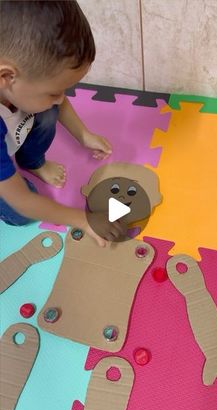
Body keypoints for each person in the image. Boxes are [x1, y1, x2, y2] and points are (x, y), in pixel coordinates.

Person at [0, 0, 124, 246]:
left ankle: (33, 162)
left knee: (47, 110)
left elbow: (56, 101)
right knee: (21, 213)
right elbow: (22, 200)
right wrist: (83, 219)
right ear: (6, 77)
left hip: (13, 123)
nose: (62, 98)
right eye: (54, 91)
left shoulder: (16, 85)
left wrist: (83, 134)